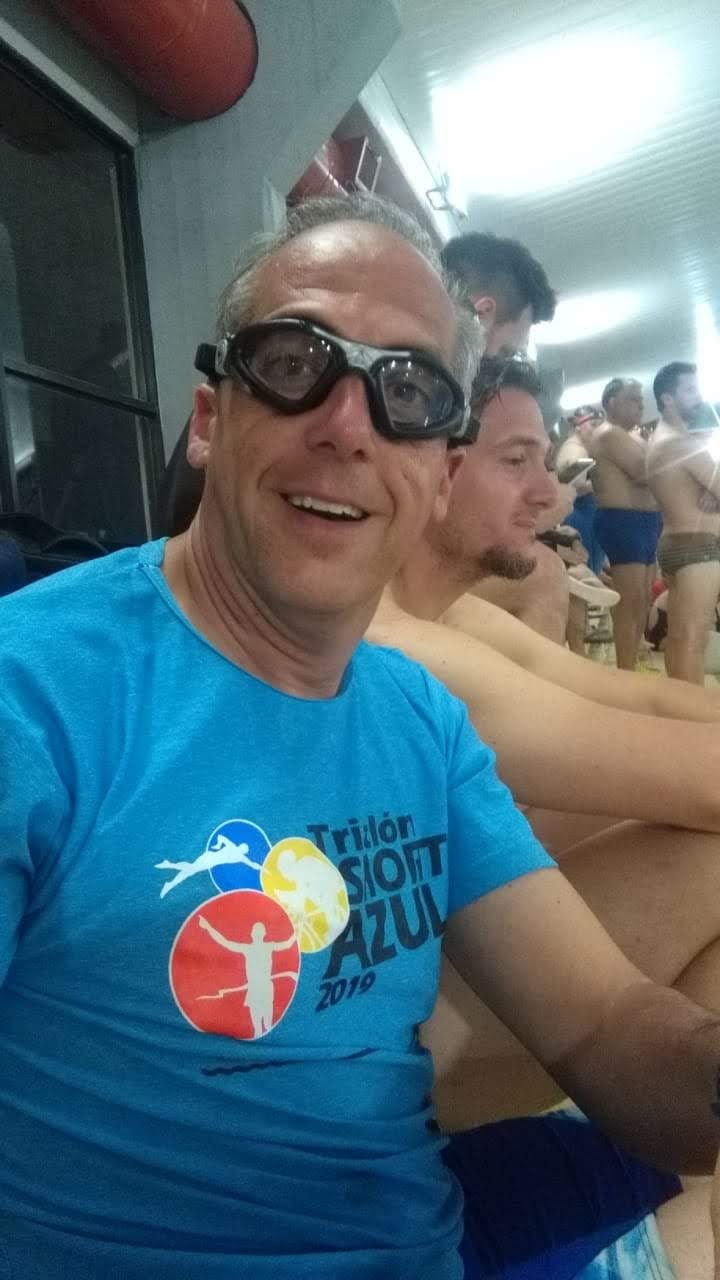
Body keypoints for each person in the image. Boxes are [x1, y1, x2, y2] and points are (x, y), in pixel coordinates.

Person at [9, 192, 720, 1278]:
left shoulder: (413, 712)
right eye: (293, 362)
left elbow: (604, 1024)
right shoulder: (34, 691)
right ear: (209, 418)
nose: (347, 424)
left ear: (436, 475)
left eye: (409, 390)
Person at [365, 357, 720, 1143]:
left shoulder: (449, 618)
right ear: (438, 472)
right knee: (710, 854)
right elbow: (696, 780)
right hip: (393, 1058)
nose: (549, 492)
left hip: (438, 986)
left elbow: (646, 698)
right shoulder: (399, 647)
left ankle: (677, 1185)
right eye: (517, 461)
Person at [647, 362, 720, 684]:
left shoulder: (661, 439)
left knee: (678, 639)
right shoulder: (681, 443)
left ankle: (677, 706)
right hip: (698, 548)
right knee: (693, 639)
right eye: (689, 390)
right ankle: (694, 713)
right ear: (668, 399)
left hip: (674, 544)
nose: (698, 396)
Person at [590, 378, 662, 669]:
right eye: (633, 399)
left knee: (643, 598)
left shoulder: (633, 437)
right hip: (623, 521)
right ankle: (625, 670)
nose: (641, 405)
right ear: (611, 402)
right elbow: (644, 472)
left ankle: (631, 663)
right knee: (631, 601)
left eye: (641, 400)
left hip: (646, 522)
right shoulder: (609, 433)